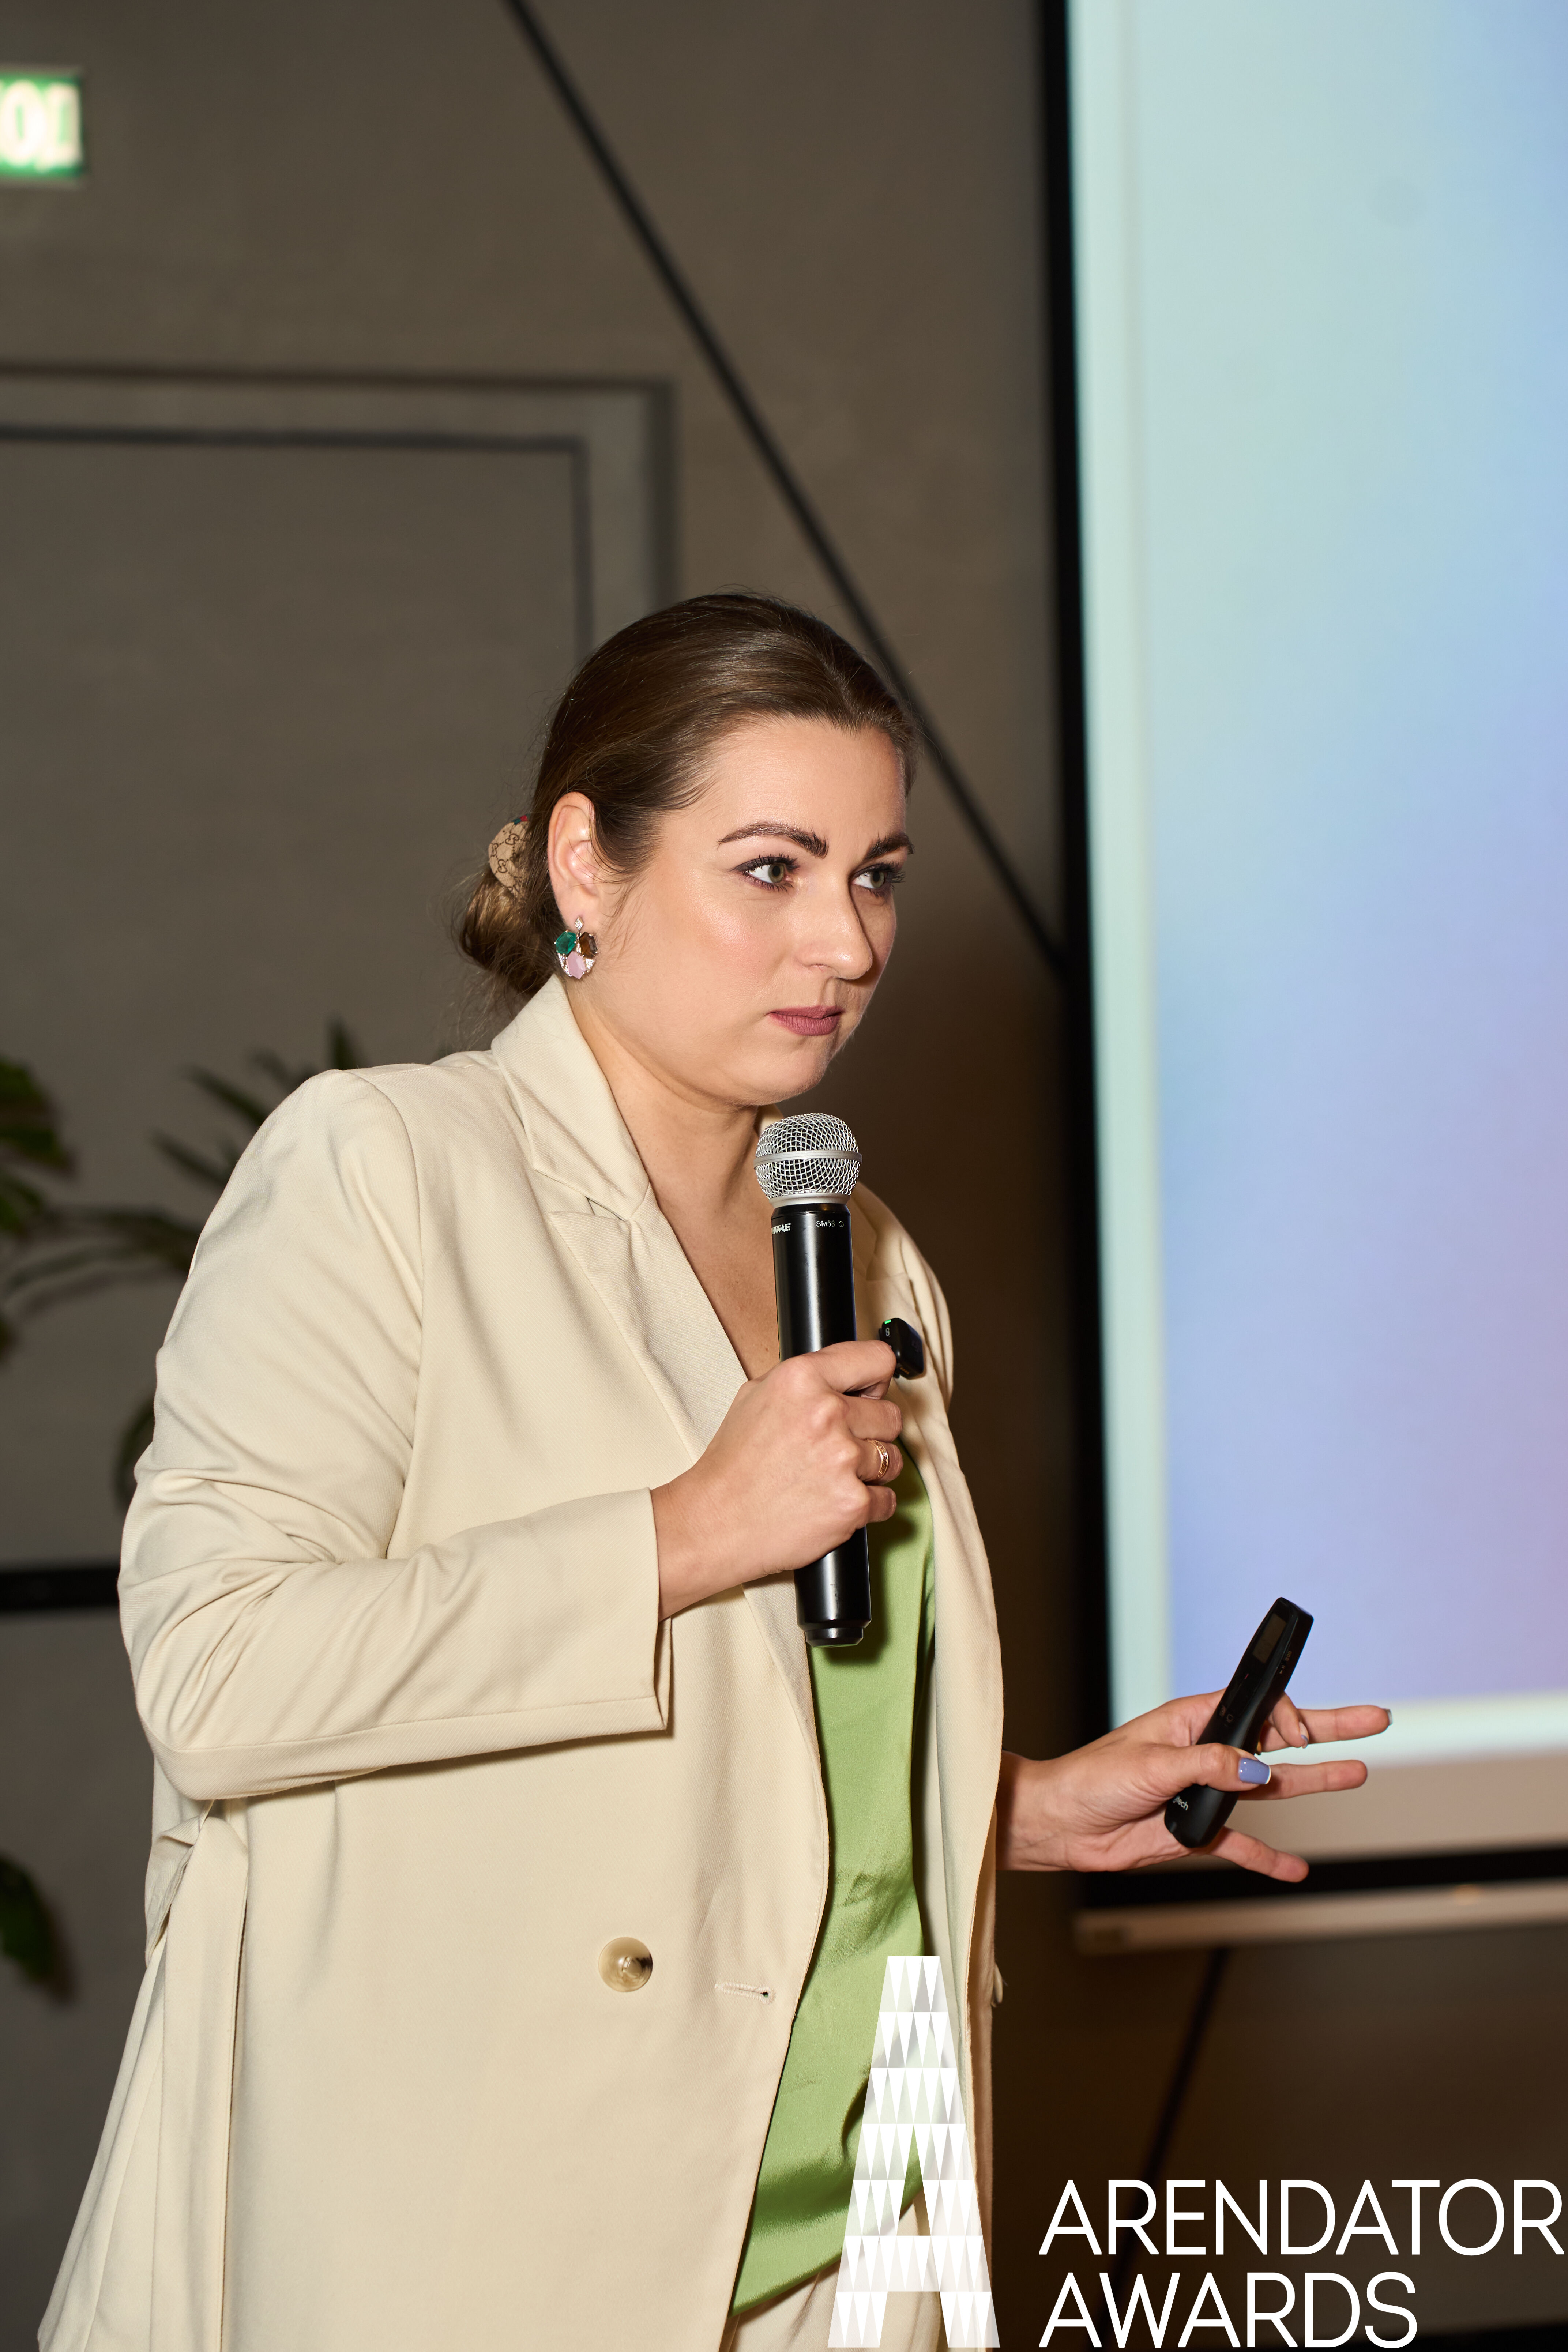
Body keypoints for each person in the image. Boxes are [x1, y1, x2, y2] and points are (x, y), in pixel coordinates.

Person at [41, 594, 1387, 2352]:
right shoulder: (389, 1171)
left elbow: (765, 1744)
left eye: (876, 875)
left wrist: (1008, 1808)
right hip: (499, 2232)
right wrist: (681, 1534)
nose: (844, 941)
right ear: (583, 866)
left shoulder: (873, 1255)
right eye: (771, 869)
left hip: (869, 2221)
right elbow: (219, 1677)